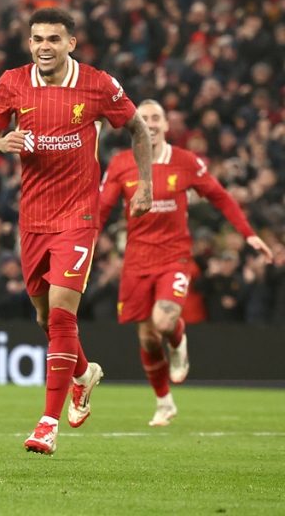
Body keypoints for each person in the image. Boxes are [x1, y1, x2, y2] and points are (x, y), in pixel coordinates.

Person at [0, 7, 153, 455]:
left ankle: (46, 424)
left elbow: (137, 128)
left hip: (78, 216)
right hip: (32, 217)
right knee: (44, 317)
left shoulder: (97, 84)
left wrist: (145, 184)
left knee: (60, 315)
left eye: (53, 39)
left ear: (71, 43)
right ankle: (82, 373)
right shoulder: (12, 83)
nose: (43, 47)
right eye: (37, 39)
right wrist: (1, 142)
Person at [98, 99, 273, 426]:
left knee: (164, 322)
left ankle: (178, 341)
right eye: (142, 117)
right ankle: (164, 402)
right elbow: (102, 208)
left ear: (166, 125)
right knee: (148, 338)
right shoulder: (121, 164)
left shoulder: (185, 162)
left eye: (155, 118)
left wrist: (247, 234)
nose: (148, 123)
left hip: (173, 256)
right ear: (132, 123)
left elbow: (219, 195)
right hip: (136, 260)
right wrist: (84, 239)